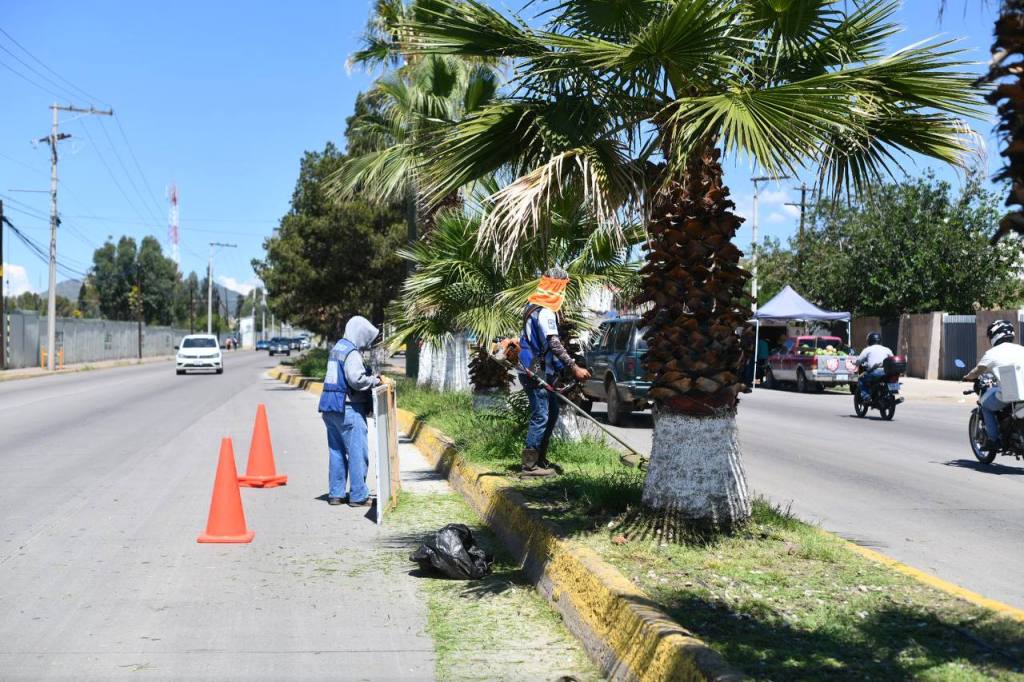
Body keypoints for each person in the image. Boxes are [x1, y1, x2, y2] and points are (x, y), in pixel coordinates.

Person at [518, 267, 591, 477]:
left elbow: (543, 345)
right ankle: (529, 466)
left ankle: (540, 458)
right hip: (535, 369)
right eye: (562, 289)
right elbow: (553, 343)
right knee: (541, 414)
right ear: (557, 288)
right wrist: (574, 367)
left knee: (552, 413)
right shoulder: (546, 311)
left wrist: (561, 371)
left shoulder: (531, 306)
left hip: (535, 366)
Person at [317, 316, 381, 506]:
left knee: (336, 451)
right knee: (357, 452)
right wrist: (375, 380)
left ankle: (336, 494)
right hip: (348, 408)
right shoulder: (351, 352)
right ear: (360, 334)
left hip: (330, 408)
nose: (366, 342)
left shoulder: (337, 348)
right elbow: (356, 379)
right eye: (366, 337)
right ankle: (358, 495)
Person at [963, 319, 1024, 449]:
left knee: (985, 405)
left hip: (1012, 393)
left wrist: (967, 377)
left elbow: (978, 370)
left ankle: (993, 439)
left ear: (994, 335)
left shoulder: (992, 354)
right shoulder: (1021, 349)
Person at [855, 332, 893, 401]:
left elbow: (859, 360)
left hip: (874, 372)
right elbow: (893, 359)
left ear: (869, 340)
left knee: (861, 379)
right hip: (887, 372)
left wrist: (855, 363)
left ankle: (866, 396)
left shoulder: (867, 349)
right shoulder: (887, 349)